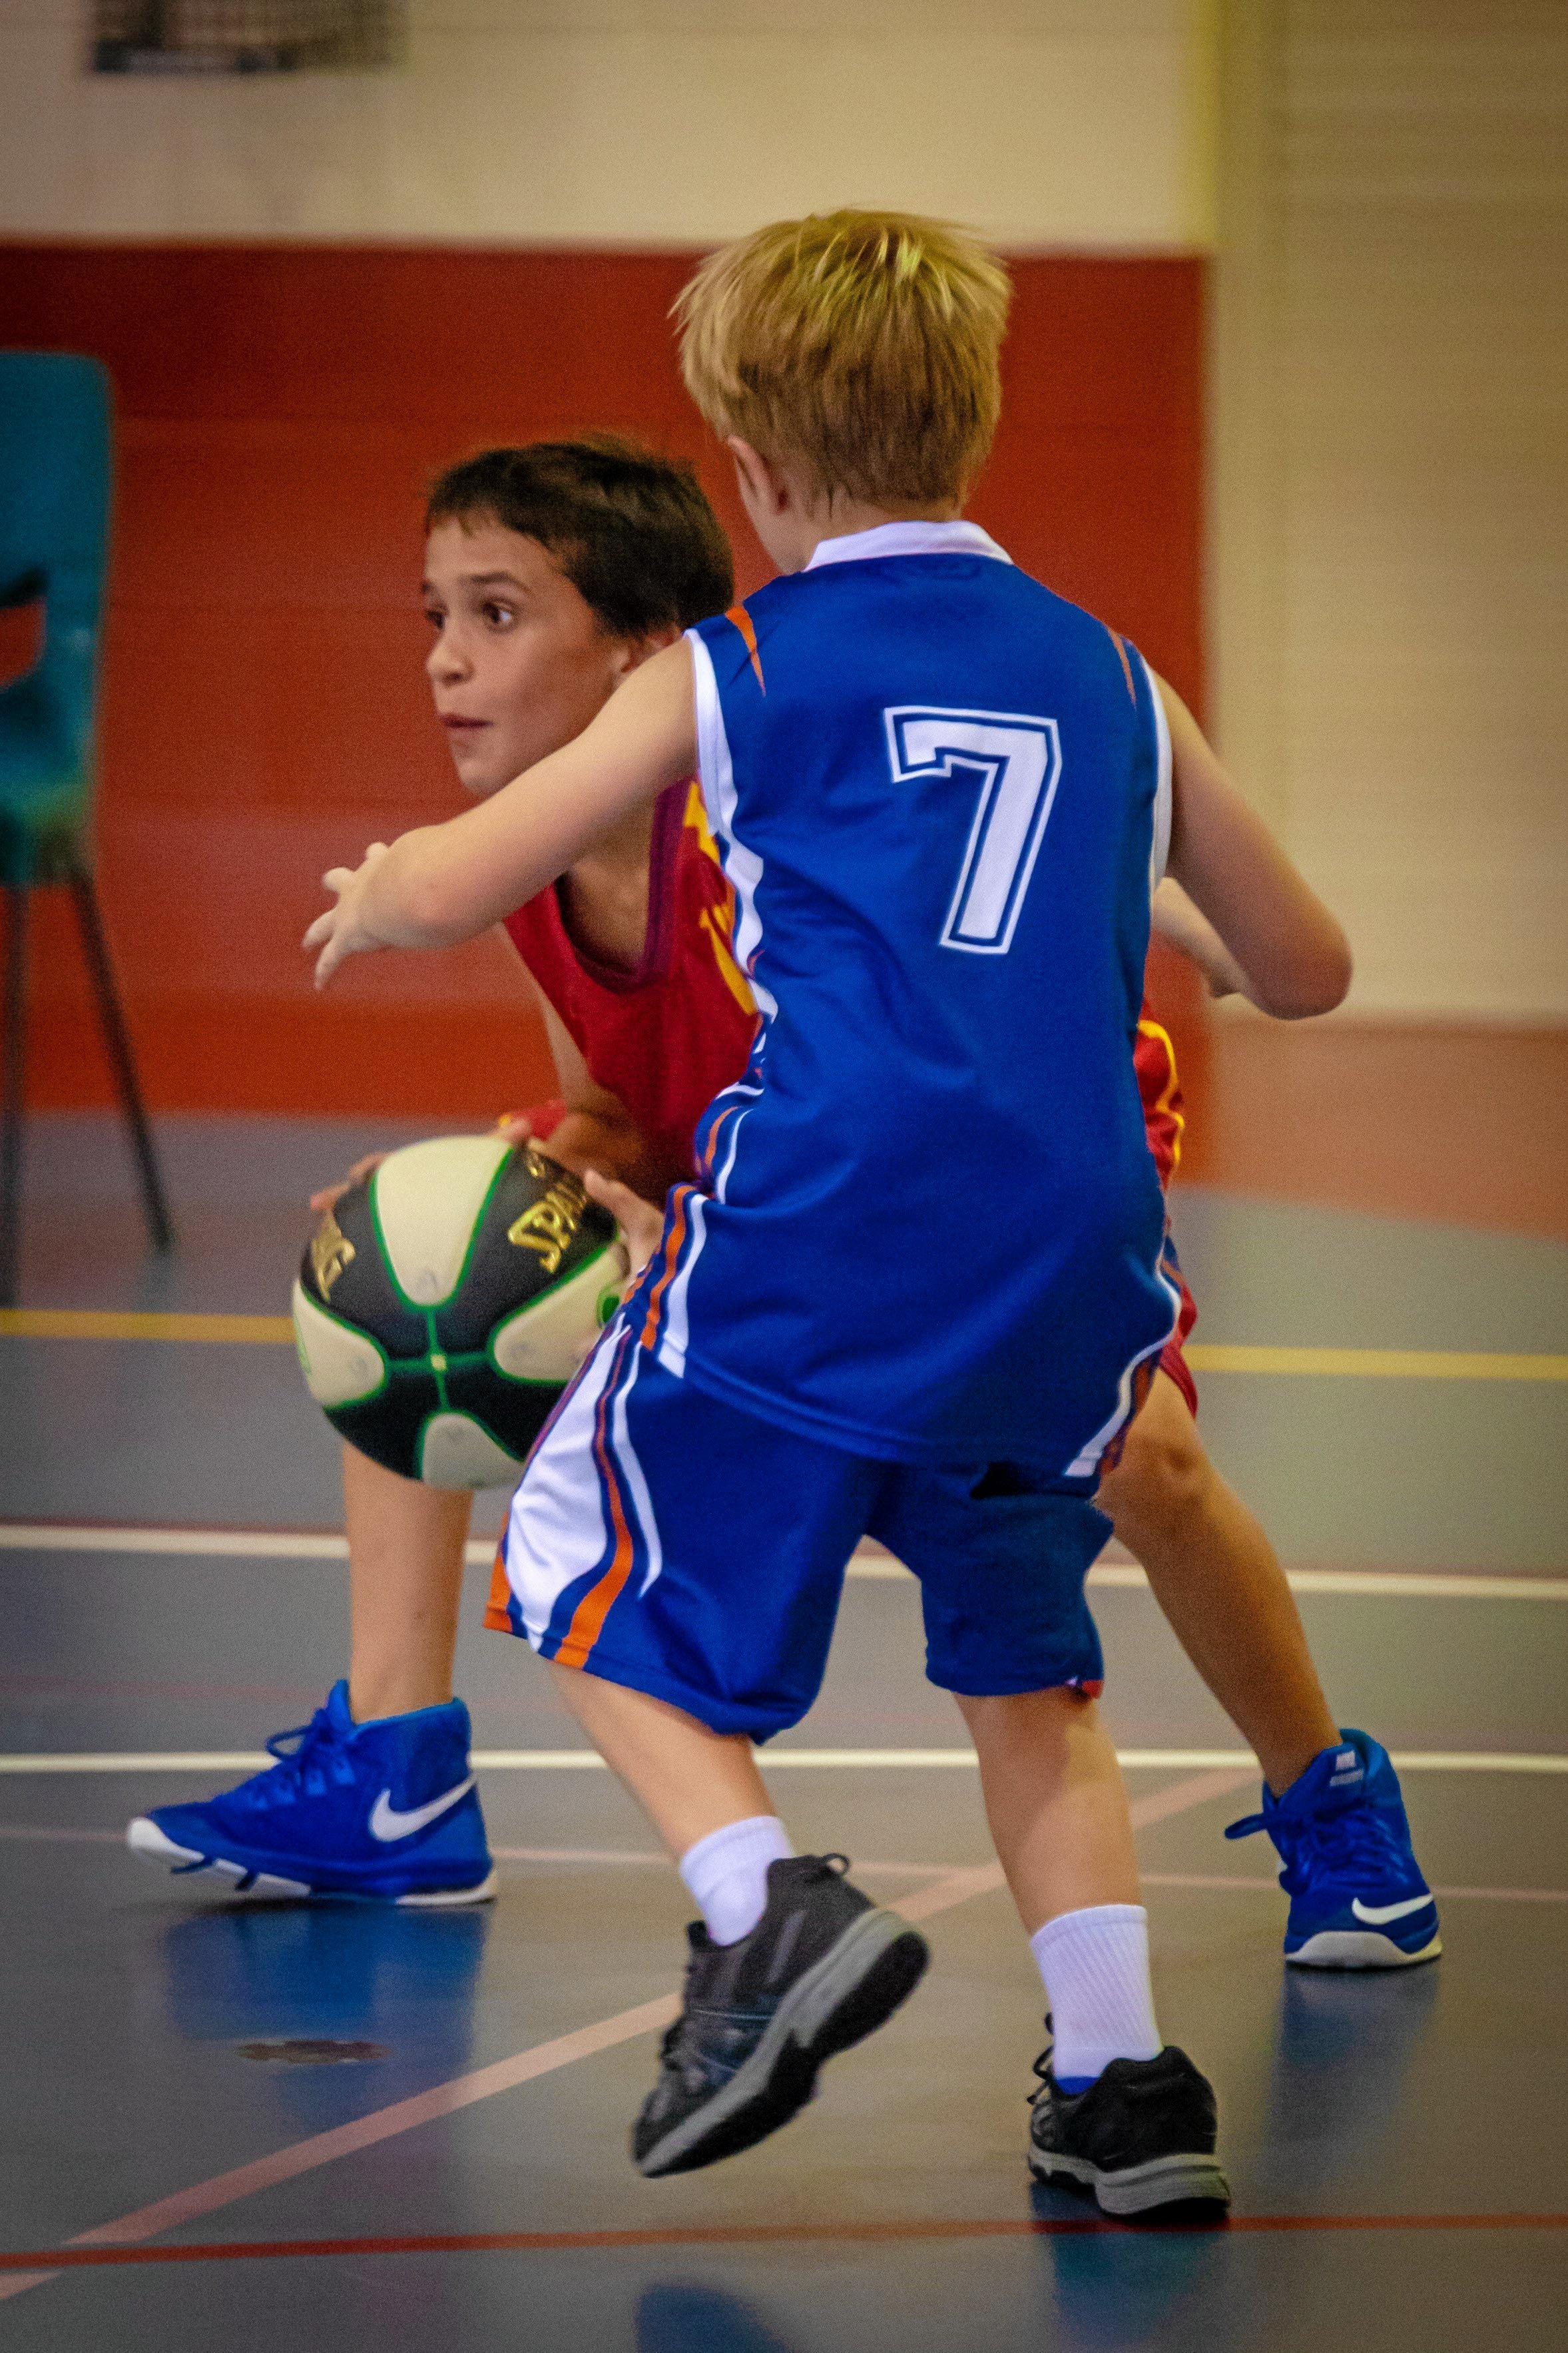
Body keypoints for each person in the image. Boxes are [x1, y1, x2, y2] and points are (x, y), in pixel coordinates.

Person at [302, 210, 1400, 2212]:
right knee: (1023, 1670)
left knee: (569, 1566)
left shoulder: (737, 661)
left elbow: (474, 877)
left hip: (836, 1221)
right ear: (970, 421)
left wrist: (383, 891)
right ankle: (1123, 2079)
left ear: (756, 463)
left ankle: (759, 1902)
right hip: (1076, 1267)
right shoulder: (1111, 674)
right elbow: (1308, 968)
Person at [132, 434, 1436, 1992]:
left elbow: (913, 1023)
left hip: (980, 1149)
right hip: (773, 1184)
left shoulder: (736, 818)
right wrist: (524, 1173)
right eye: (431, 617)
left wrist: (1176, 915)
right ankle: (395, 1764)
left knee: (1144, 1462)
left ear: (638, 655)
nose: (443, 663)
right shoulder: (541, 874)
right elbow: (620, 1105)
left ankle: (1323, 1792)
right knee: (421, 1278)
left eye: (494, 615)